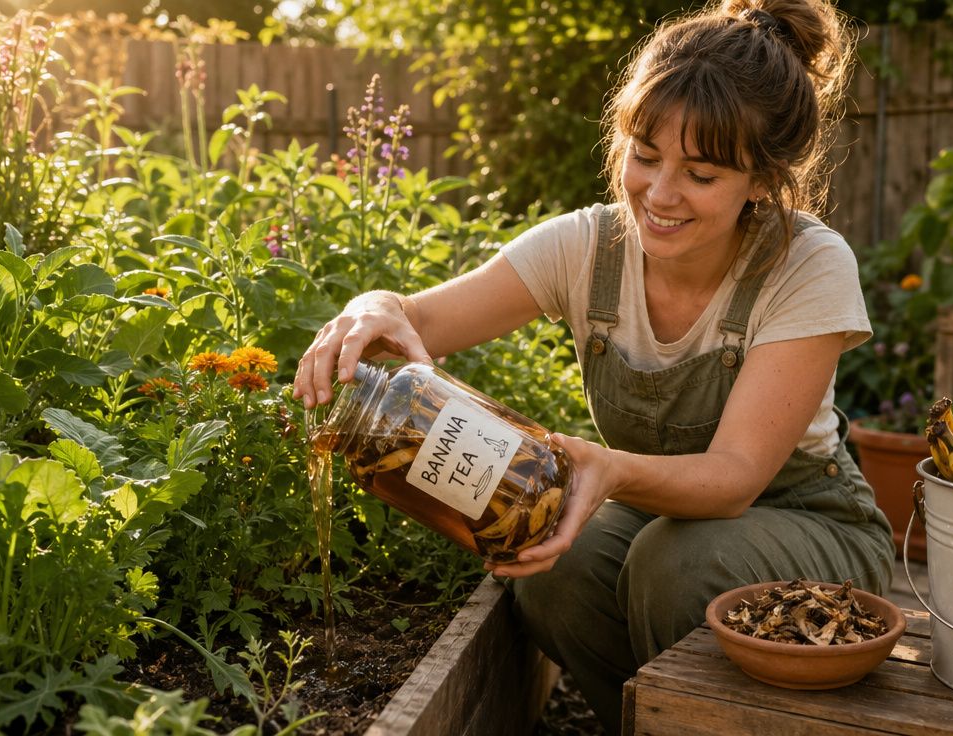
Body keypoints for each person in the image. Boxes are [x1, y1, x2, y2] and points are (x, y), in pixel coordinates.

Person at [293, 0, 894, 731]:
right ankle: (645, 722)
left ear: (762, 182)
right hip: (667, 517)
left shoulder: (806, 263)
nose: (660, 194)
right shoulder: (588, 248)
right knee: (555, 566)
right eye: (645, 155)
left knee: (677, 564)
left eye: (700, 174)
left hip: (805, 524)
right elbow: (418, 320)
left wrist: (607, 469)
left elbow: (737, 477)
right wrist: (374, 305)